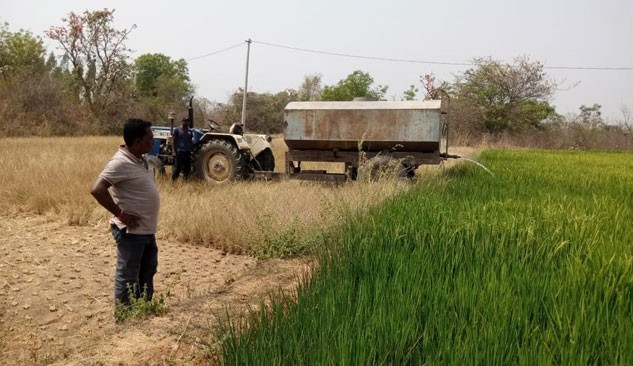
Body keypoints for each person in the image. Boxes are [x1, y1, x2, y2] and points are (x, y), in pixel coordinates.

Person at [90, 118, 161, 309]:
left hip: (146, 231)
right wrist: (121, 215)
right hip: (131, 233)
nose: (153, 141)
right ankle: (124, 318)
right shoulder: (120, 162)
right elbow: (97, 189)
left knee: (147, 271)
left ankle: (142, 311)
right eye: (149, 138)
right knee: (128, 276)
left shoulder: (141, 159)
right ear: (137, 141)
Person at [171, 117, 194, 181]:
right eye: (185, 121)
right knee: (178, 168)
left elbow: (190, 141)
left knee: (187, 168)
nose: (186, 122)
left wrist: (192, 150)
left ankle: (185, 181)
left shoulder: (190, 131)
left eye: (187, 121)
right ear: (182, 121)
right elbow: (173, 141)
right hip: (179, 152)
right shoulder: (177, 130)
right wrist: (173, 152)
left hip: (187, 152)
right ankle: (173, 182)